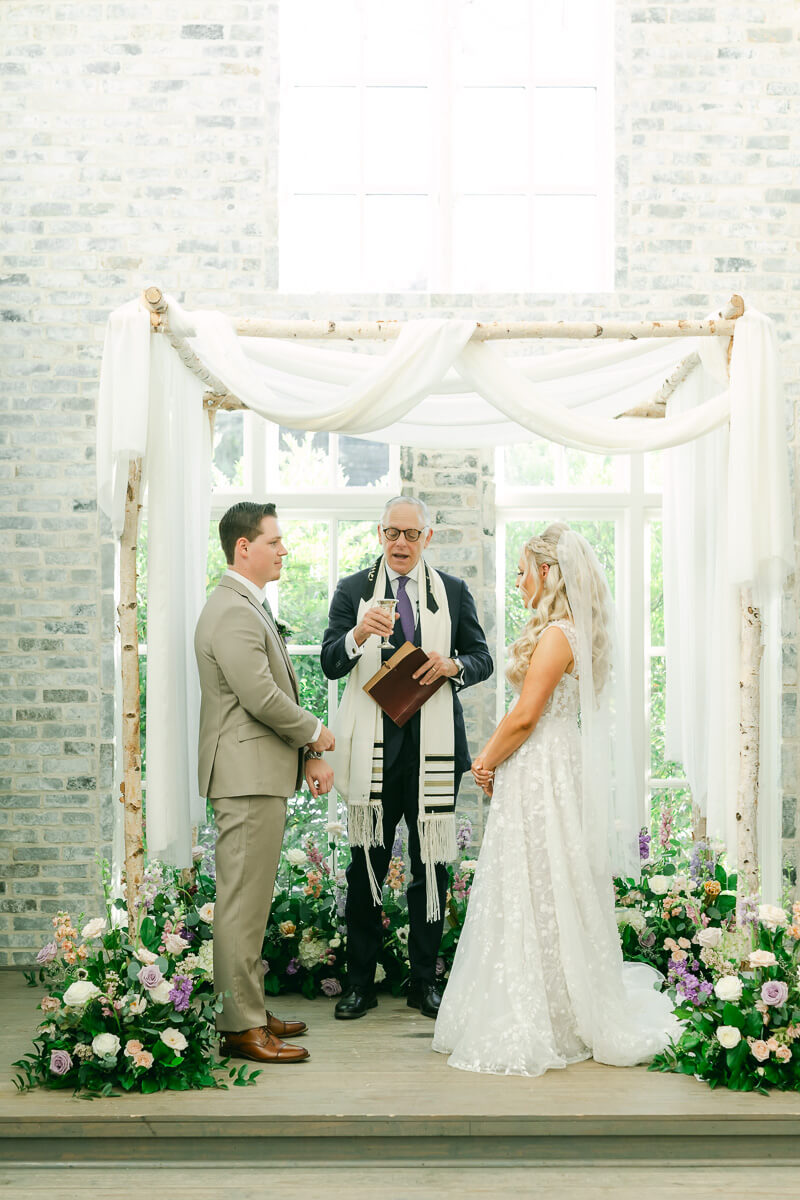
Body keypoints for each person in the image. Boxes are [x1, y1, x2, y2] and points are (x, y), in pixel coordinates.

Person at [432, 522, 678, 1075]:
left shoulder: (557, 634)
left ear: (548, 573)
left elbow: (525, 715)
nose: (519, 583)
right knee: (546, 880)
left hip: (542, 767)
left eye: (523, 572)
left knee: (539, 878)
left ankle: (550, 1012)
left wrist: (483, 760)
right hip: (550, 764)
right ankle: (559, 1000)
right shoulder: (572, 632)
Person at [321, 496, 493, 1020]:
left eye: (410, 535)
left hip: (430, 750)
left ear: (426, 539)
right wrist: (357, 634)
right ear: (379, 534)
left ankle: (424, 983)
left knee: (431, 871)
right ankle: (360, 985)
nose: (400, 543)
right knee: (364, 871)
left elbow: (482, 658)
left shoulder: (453, 593)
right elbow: (330, 663)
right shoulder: (353, 591)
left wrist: (452, 664)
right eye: (391, 533)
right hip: (371, 755)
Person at [194, 501, 335, 1064]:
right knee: (239, 904)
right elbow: (259, 698)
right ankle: (239, 1025)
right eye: (274, 542)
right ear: (243, 548)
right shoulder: (231, 610)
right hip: (244, 775)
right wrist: (316, 733)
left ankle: (246, 1006)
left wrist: (302, 753)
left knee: (250, 902)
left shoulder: (246, 605)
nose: (284, 551)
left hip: (256, 772)